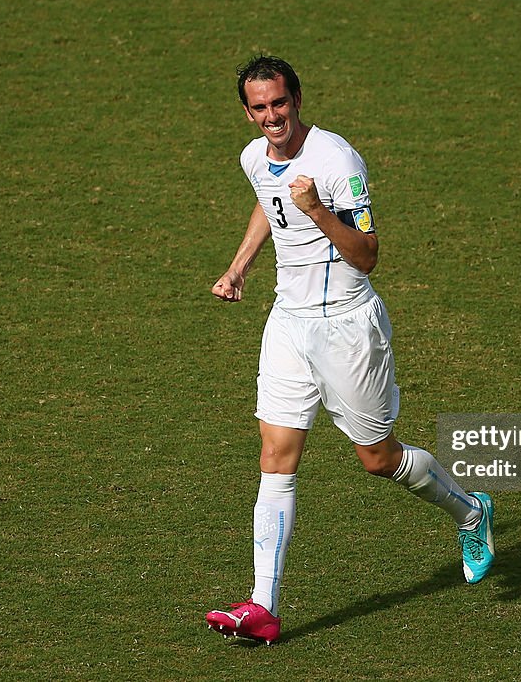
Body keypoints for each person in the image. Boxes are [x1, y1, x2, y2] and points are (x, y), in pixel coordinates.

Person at [205, 56, 494, 645]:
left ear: (297, 99)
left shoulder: (338, 161)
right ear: (247, 111)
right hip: (288, 323)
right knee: (275, 456)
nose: (271, 117)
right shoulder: (253, 156)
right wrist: (239, 266)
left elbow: (367, 255)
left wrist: (317, 211)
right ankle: (264, 606)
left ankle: (471, 513)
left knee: (377, 459)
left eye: (278, 103)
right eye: (258, 108)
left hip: (347, 328)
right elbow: (268, 197)